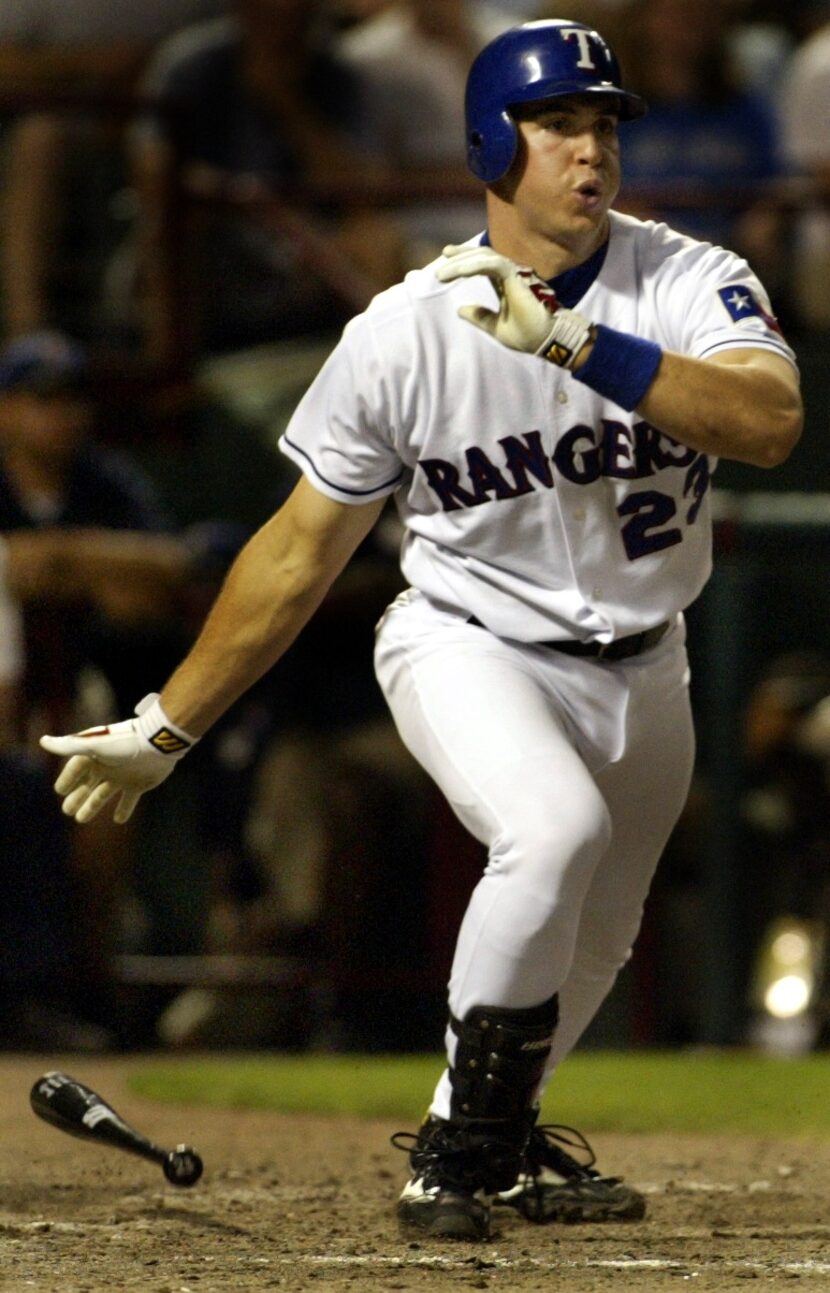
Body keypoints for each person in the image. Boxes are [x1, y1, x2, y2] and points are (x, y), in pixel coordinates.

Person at [39, 18, 802, 1241]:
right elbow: (296, 550)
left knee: (600, 933)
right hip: (467, 641)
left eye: (602, 124)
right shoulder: (404, 329)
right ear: (491, 143)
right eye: (557, 124)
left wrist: (566, 336)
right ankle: (452, 1164)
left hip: (645, 661)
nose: (587, 149)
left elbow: (765, 423)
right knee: (550, 834)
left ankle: (487, 1137)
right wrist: (166, 726)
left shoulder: (683, 278)